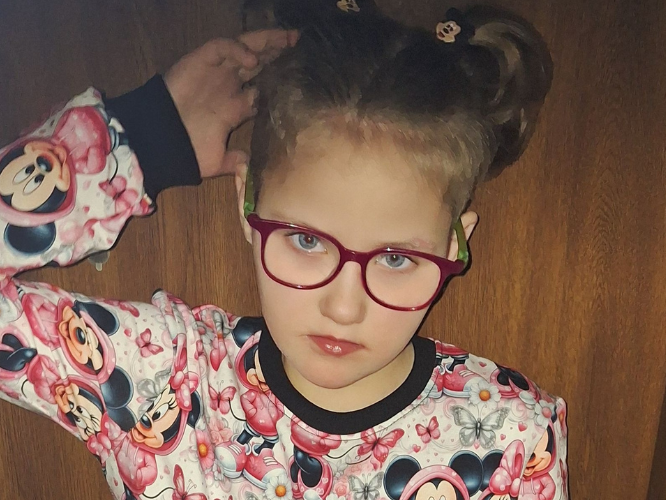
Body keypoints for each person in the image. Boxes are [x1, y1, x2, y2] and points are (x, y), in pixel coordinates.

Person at [0, 1, 568, 499]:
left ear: (454, 244)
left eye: (396, 259)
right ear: (248, 205)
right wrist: (146, 137)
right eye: (306, 241)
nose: (343, 308)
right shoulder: (160, 376)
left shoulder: (510, 438)